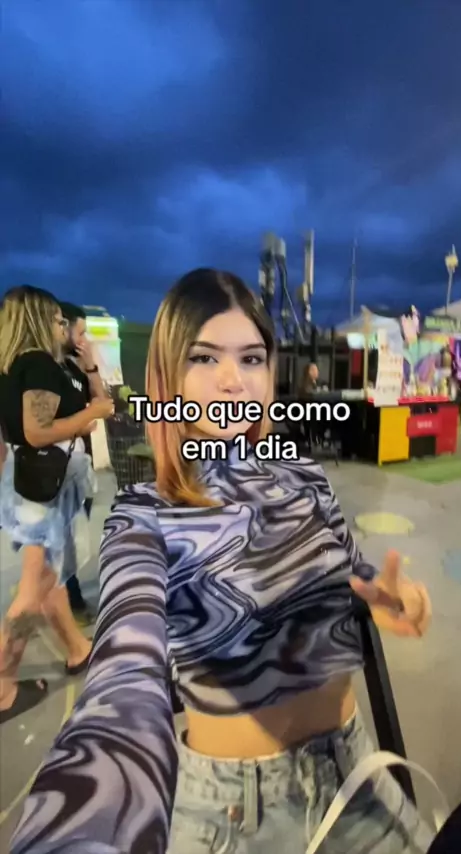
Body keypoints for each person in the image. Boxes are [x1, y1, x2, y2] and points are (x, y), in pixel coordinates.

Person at [11, 270, 434, 853]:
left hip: (356, 771)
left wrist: (388, 599)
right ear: (168, 375)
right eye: (205, 358)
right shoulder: (143, 513)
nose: (234, 380)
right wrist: (88, 814)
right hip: (235, 814)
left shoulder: (303, 476)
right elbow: (123, 674)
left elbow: (354, 576)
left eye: (251, 358)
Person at [0, 285, 114, 724]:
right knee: (32, 592)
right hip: (44, 488)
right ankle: (4, 687)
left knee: (50, 580)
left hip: (29, 484)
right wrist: (90, 415)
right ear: (37, 319)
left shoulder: (13, 365)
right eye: (57, 319)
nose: (62, 326)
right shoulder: (39, 365)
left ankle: (77, 649)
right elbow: (38, 431)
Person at [59, 301, 109, 624]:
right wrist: (81, 422)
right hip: (56, 469)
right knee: (64, 542)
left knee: (75, 541)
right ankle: (69, 603)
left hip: (80, 464)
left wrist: (91, 366)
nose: (84, 339)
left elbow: (102, 402)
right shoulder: (45, 370)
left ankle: (60, 596)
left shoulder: (75, 368)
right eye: (81, 332)